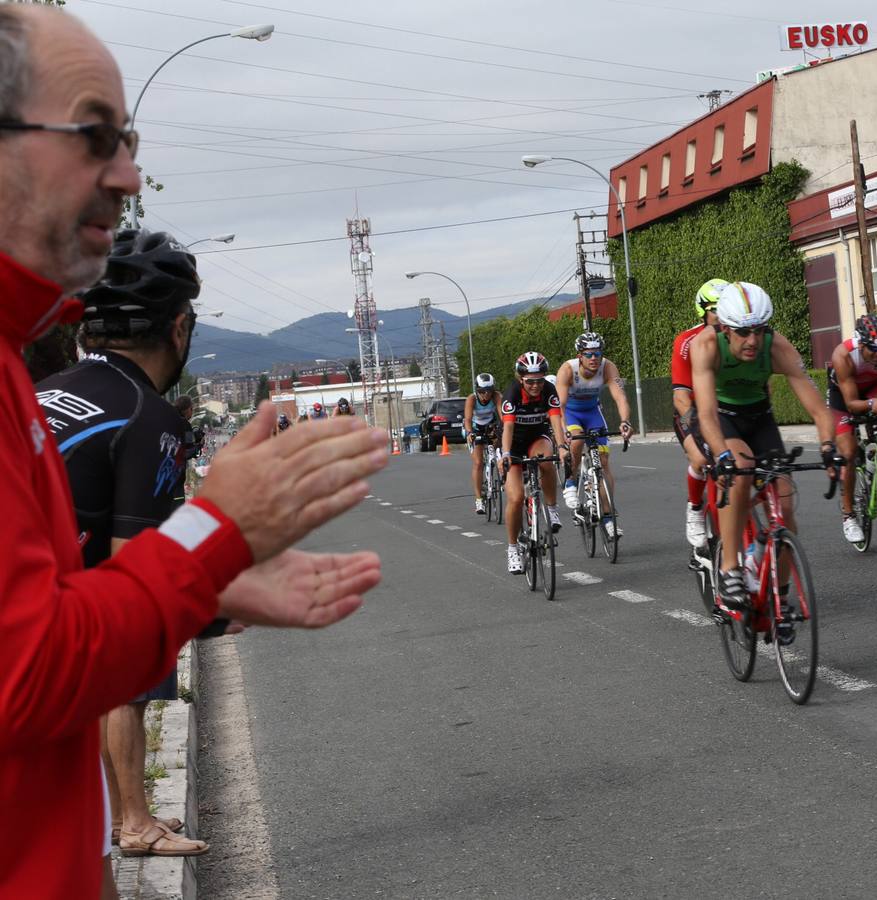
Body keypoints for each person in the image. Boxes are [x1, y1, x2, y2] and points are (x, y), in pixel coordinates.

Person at [0, 7, 388, 896]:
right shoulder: (121, 405)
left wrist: (204, 586)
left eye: (128, 140)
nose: (130, 175)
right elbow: (26, 674)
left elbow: (51, 609)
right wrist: (216, 530)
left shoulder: (23, 365)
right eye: (97, 135)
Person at [37, 228, 214, 858]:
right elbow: (135, 572)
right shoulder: (149, 416)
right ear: (180, 330)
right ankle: (134, 822)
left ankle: (121, 817)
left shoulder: (43, 391)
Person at [689, 282, 838, 611]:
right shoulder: (707, 345)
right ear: (725, 328)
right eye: (743, 332)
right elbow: (707, 413)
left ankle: (780, 598)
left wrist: (829, 446)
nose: (752, 341)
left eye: (758, 330)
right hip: (722, 418)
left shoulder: (776, 347)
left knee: (784, 509)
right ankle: (730, 567)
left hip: (759, 418)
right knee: (739, 471)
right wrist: (722, 454)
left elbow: (818, 409)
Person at [826, 314, 877, 542]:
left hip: (872, 387)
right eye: (873, 349)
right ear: (861, 344)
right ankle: (848, 515)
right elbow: (852, 404)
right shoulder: (843, 356)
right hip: (844, 397)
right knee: (849, 453)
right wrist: (871, 404)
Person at [557, 332, 633, 539]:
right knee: (578, 439)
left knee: (604, 462)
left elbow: (620, 398)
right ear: (579, 356)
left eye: (597, 354)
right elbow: (560, 407)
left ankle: (608, 517)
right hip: (571, 413)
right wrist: (563, 430)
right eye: (589, 354)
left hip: (592, 413)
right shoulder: (567, 370)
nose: (594, 359)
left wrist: (625, 421)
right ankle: (570, 481)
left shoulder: (608, 367)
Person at [499, 352, 567, 574]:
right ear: (521, 379)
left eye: (540, 380)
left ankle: (551, 508)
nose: (536, 385)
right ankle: (512, 549)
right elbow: (508, 427)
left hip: (537, 437)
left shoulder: (549, 390)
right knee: (516, 497)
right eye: (530, 381)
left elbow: (556, 419)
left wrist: (563, 447)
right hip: (514, 443)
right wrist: (506, 454)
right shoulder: (512, 394)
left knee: (546, 461)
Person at [671, 278, 726, 547]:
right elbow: (680, 397)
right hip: (690, 411)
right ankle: (694, 508)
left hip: (724, 410)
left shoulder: (738, 335)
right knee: (702, 459)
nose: (721, 315)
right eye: (716, 309)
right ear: (702, 311)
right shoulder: (686, 341)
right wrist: (700, 428)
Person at [466, 372, 502, 514]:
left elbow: (503, 416)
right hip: (475, 429)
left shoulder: (497, 396)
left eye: (489, 391)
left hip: (491, 426)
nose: (486, 395)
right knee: (478, 462)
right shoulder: (472, 399)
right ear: (477, 390)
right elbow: (468, 420)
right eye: (482, 391)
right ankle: (479, 499)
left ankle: (503, 474)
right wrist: (470, 433)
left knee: (502, 447)